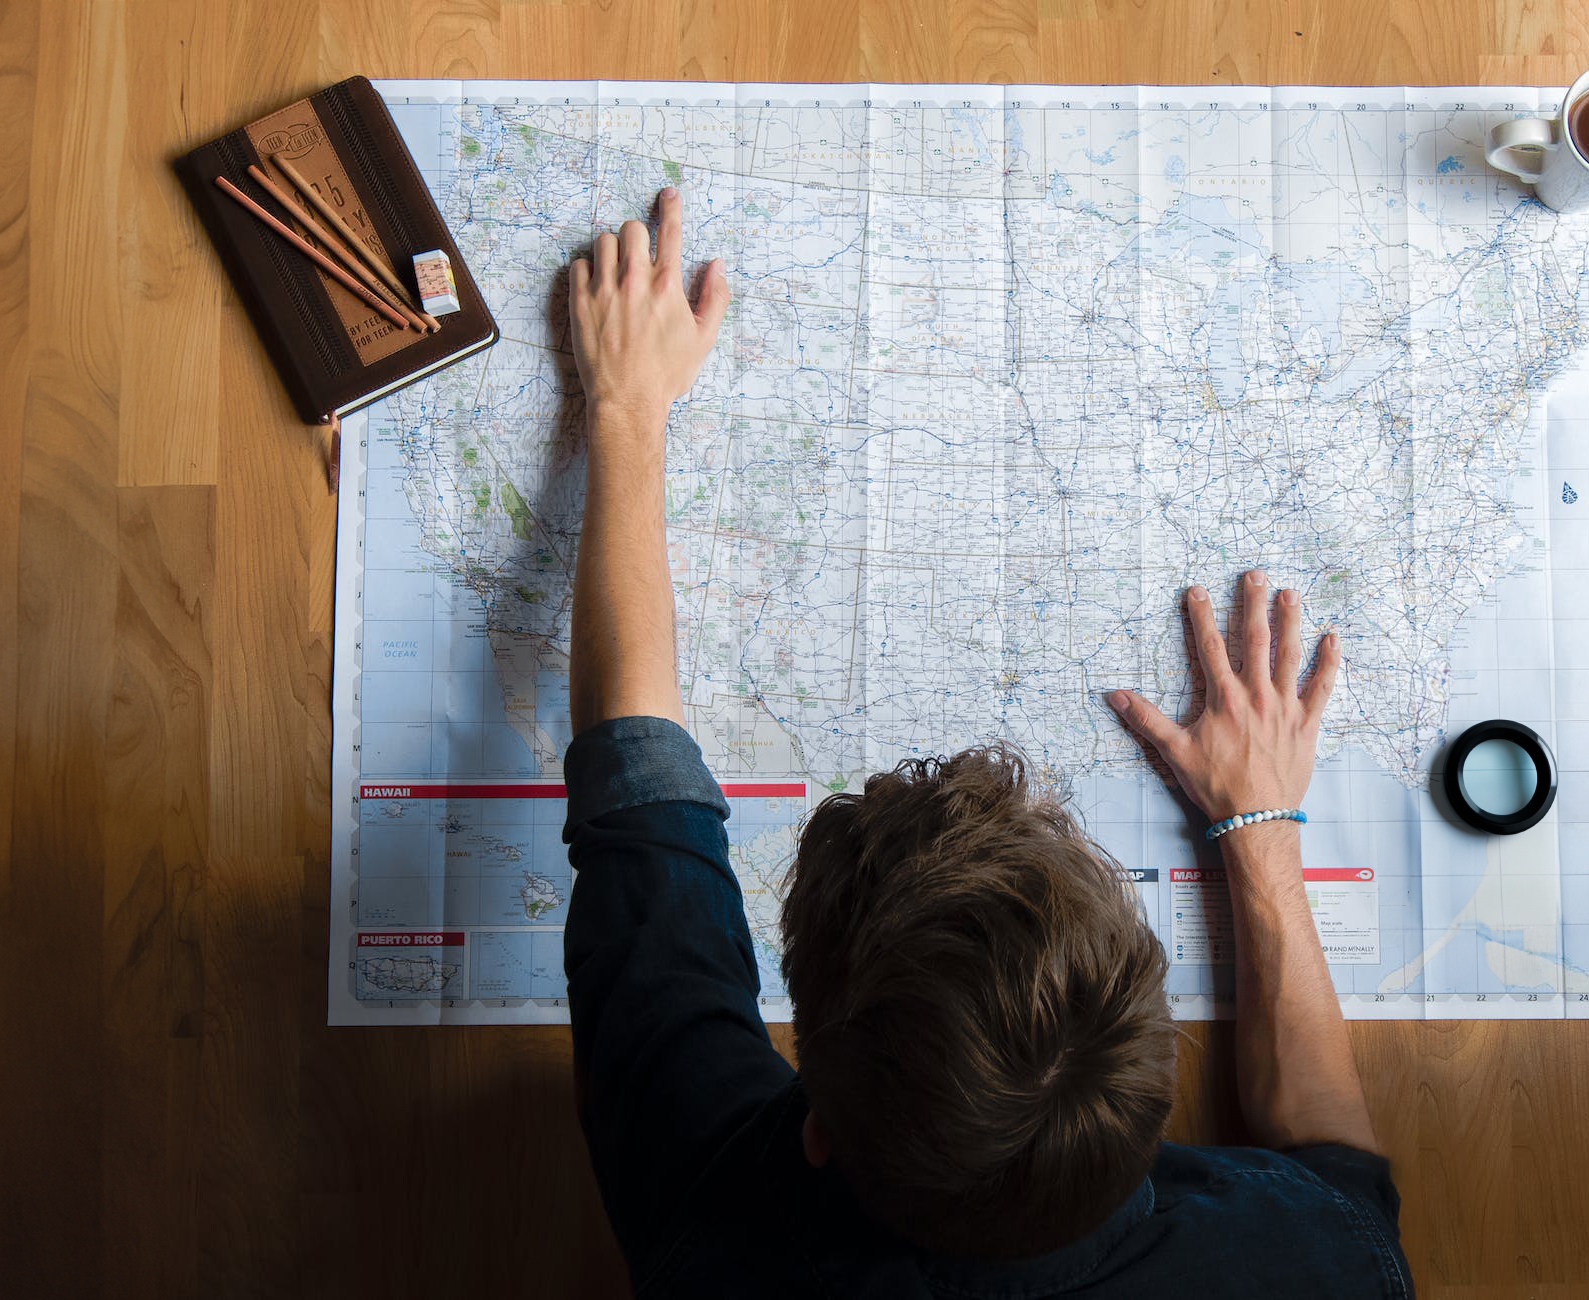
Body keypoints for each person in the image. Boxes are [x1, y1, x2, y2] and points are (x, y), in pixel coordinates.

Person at [561, 188, 1415, 1298]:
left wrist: (626, 407)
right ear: (1152, 1098)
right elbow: (1328, 1159)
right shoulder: (1318, 1267)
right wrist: (1256, 828)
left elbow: (637, 793)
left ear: (817, 1132)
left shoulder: (713, 1214)